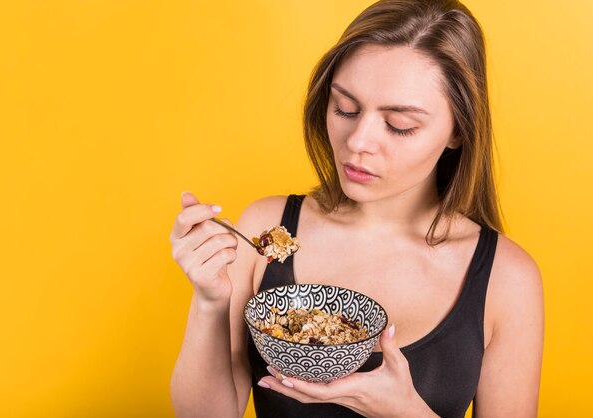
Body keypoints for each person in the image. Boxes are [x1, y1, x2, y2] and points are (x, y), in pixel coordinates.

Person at [169, 0, 544, 416]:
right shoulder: (267, 228)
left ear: (458, 130)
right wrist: (209, 303)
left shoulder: (507, 280)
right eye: (345, 107)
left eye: (400, 124)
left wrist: (403, 410)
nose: (358, 141)